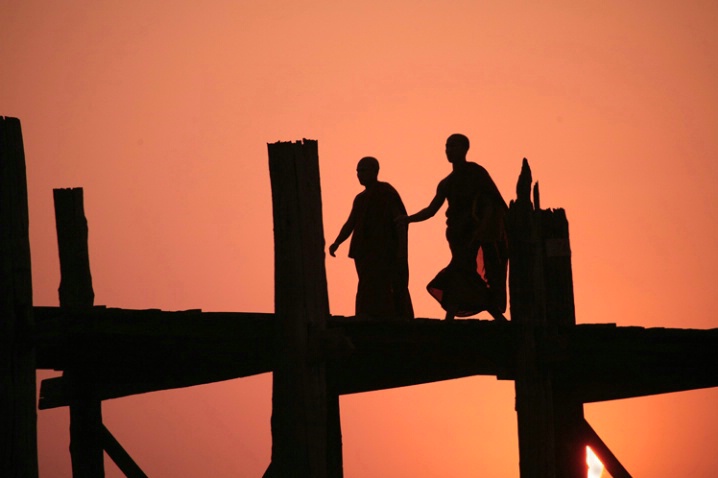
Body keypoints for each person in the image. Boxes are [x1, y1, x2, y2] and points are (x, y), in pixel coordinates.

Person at [398, 134, 508, 321]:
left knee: (460, 270)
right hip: (456, 234)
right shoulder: (446, 182)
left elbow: (492, 202)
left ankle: (454, 314)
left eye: (453, 146)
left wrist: (483, 227)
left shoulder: (476, 172)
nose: (449, 150)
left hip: (473, 232)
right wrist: (408, 219)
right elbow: (431, 210)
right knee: (463, 270)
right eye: (447, 147)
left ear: (465, 149)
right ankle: (489, 314)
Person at [329, 156, 414, 320]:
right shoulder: (360, 199)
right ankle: (367, 313)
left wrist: (401, 249)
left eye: (363, 170)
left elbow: (399, 220)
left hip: (383, 250)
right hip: (364, 250)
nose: (360, 175)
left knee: (384, 284)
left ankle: (388, 315)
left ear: (375, 171)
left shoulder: (386, 192)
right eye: (358, 171)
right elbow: (351, 222)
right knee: (366, 285)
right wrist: (337, 241)